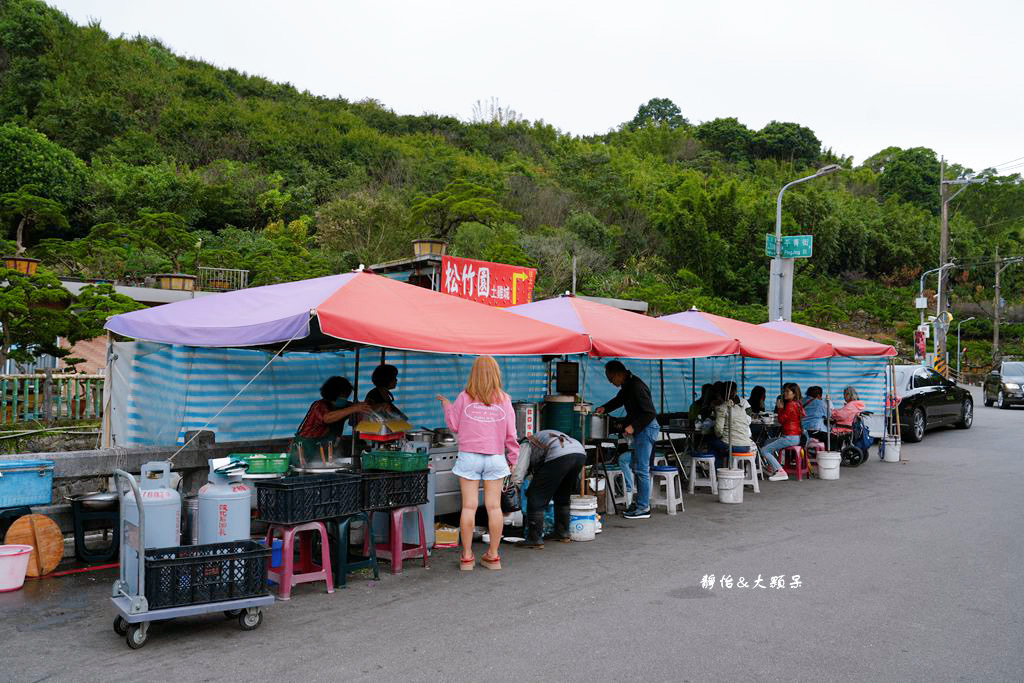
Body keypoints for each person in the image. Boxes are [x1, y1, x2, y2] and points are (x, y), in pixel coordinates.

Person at [437, 356, 519, 572]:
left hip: (469, 457)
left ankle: (466, 557)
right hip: (495, 457)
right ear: (496, 373)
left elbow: (454, 425)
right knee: (494, 507)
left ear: (473, 373)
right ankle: (493, 556)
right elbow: (512, 434)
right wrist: (513, 459)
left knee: (469, 506)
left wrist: (447, 406)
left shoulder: (464, 397)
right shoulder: (504, 399)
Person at [595, 360, 658, 519]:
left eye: (611, 379)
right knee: (636, 466)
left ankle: (643, 508)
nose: (611, 382)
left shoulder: (635, 386)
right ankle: (640, 504)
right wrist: (604, 408)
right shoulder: (628, 385)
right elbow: (618, 400)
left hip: (646, 428)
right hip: (642, 429)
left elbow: (650, 412)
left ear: (618, 374)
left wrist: (633, 427)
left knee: (642, 469)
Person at [511, 429, 586, 549]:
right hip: (579, 453)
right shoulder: (542, 437)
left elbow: (519, 472)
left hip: (559, 455)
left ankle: (534, 538)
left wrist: (515, 488)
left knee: (535, 495)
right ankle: (562, 533)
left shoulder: (525, 443)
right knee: (562, 495)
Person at [291, 376, 367, 465]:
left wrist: (371, 408)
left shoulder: (345, 406)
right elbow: (327, 418)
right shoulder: (319, 405)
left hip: (326, 448)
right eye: (342, 395)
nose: (344, 398)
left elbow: (356, 415)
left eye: (346, 396)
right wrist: (353, 409)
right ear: (333, 393)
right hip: (306, 447)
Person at [760, 382, 805, 481]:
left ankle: (780, 471)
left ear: (794, 393)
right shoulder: (798, 404)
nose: (785, 393)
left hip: (790, 437)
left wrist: (780, 409)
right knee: (767, 442)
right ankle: (773, 467)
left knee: (764, 450)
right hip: (795, 436)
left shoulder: (790, 405)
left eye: (787, 391)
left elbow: (781, 420)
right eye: (785, 391)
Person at [707, 382, 754, 469]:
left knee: (712, 443)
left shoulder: (721, 408)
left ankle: (717, 471)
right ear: (735, 392)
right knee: (720, 446)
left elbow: (718, 431)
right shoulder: (741, 408)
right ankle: (725, 468)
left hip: (733, 445)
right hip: (747, 445)